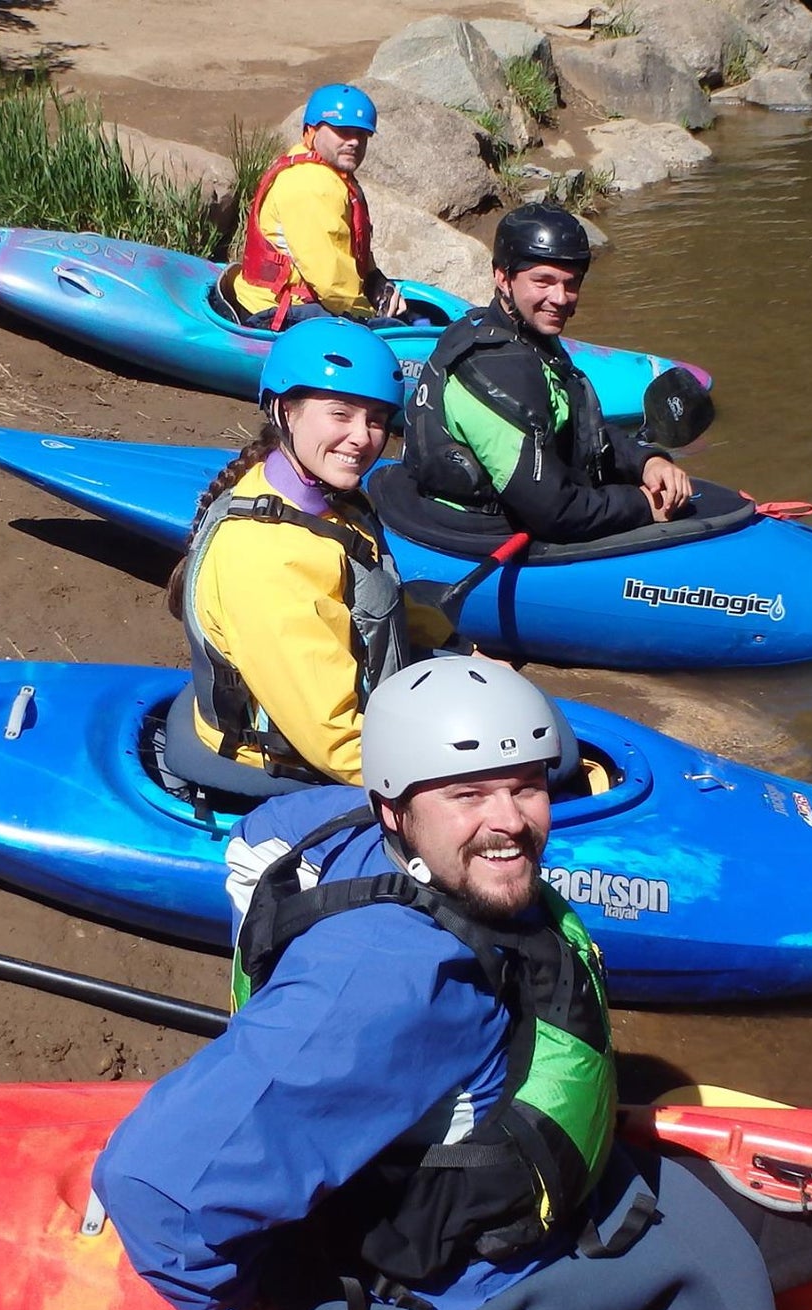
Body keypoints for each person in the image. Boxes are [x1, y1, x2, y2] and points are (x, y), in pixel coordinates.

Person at [94, 657, 812, 1310]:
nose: (510, 822)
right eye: (467, 794)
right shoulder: (387, 978)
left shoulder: (346, 825)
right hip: (451, 1290)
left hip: (559, 1203)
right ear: (395, 809)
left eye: (525, 786)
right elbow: (152, 1181)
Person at [164, 319, 453, 793]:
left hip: (332, 722)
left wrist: (453, 642)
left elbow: (368, 600)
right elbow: (335, 741)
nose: (363, 437)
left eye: (376, 419)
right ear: (284, 411)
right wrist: (453, 785)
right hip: (286, 762)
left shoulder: (326, 500)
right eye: (340, 414)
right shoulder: (269, 558)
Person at [402, 203, 693, 543]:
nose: (560, 298)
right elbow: (555, 513)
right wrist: (642, 505)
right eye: (543, 281)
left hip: (534, 506)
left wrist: (646, 461)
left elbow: (578, 422)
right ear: (503, 277)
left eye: (571, 284)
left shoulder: (524, 335)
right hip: (480, 532)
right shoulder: (493, 368)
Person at [228, 83, 405, 328]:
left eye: (362, 134)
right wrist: (370, 317)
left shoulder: (331, 174)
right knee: (393, 331)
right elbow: (331, 283)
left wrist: (376, 280)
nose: (354, 141)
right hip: (276, 313)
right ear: (311, 132)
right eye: (343, 131)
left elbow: (346, 247)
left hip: (299, 302)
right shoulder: (310, 185)